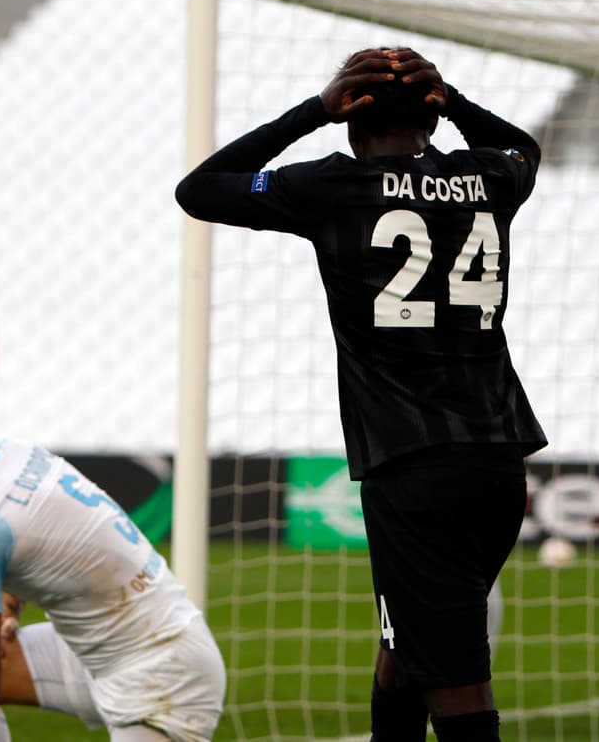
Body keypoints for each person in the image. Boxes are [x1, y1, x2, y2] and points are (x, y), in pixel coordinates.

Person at [176, 48, 546, 742]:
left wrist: (313, 110)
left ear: (353, 116)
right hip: (499, 463)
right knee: (404, 647)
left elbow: (200, 188)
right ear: (432, 117)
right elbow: (522, 147)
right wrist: (456, 101)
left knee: (457, 681)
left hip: (413, 469)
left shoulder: (334, 185)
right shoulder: (489, 176)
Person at [0, 373, 226, 741]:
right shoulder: (16, 454)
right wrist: (7, 607)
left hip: (165, 675)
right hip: (107, 654)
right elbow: (38, 537)